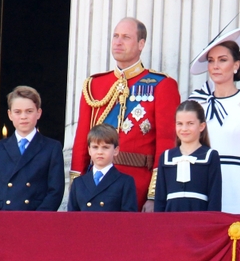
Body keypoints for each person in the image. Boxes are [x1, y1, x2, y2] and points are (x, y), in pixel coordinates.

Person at [72, 17, 180, 211]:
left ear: (141, 44)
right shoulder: (94, 85)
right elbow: (82, 140)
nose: (118, 42)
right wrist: (77, 186)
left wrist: (154, 195)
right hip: (94, 187)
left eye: (126, 37)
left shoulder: (162, 85)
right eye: (115, 36)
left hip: (138, 186)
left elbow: (166, 144)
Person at [188, 26, 240, 214]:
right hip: (199, 183)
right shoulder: (196, 102)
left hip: (235, 187)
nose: (215, 66)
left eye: (222, 60)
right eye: (211, 61)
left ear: (236, 65)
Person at [0, 86, 64, 211]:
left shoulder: (52, 148)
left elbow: (55, 191)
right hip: (3, 220)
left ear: (38, 113)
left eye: (29, 111)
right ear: (10, 114)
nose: (23, 116)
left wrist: (37, 219)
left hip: (35, 221)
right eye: (17, 112)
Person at [154, 101, 222, 212]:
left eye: (190, 123)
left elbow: (215, 199)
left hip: (199, 220)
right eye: (179, 124)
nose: (184, 128)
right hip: (170, 221)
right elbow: (160, 199)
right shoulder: (166, 157)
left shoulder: (211, 156)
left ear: (201, 126)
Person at [68, 124, 138, 212]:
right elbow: (72, 218)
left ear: (116, 150)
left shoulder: (125, 182)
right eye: (95, 147)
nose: (100, 152)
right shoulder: (78, 183)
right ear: (89, 150)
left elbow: (129, 218)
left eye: (105, 147)